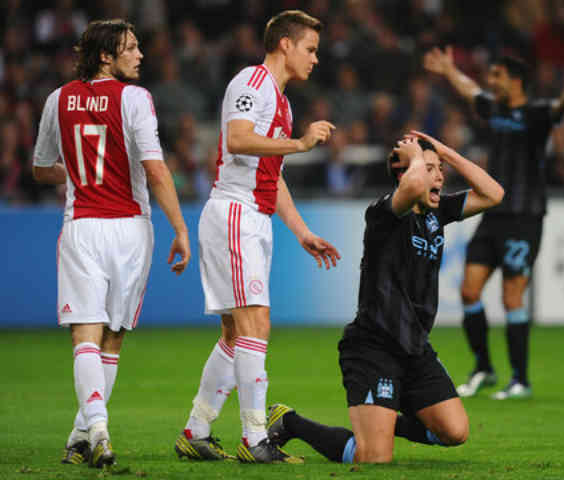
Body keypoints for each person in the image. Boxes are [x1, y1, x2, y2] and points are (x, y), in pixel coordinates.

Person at [264, 131, 504, 464]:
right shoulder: (383, 214)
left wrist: (444, 152)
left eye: (440, 170)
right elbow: (410, 189)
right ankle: (289, 421)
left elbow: (493, 194)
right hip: (373, 348)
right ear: (406, 174)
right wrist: (418, 159)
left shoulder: (438, 213)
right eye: (430, 169)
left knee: (455, 431)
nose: (439, 176)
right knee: (373, 458)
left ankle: (383, 418)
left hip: (416, 348)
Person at [174, 10, 340, 464]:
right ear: (285, 43)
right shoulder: (252, 82)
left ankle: (197, 430)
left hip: (256, 216)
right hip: (234, 213)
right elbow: (239, 139)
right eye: (310, 49)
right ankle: (254, 438)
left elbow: (273, 175)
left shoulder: (282, 103)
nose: (315, 59)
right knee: (255, 324)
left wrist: (302, 231)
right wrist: (301, 144)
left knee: (234, 332)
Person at [32, 19, 191, 468]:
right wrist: (180, 228)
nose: (140, 55)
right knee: (112, 339)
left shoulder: (56, 99)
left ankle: (83, 434)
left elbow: (42, 169)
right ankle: (98, 428)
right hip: (130, 229)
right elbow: (156, 170)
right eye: (132, 47)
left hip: (81, 225)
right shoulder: (135, 99)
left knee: (85, 334)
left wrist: (83, 173)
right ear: (106, 55)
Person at [424, 47, 564, 399]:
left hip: (525, 217)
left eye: (497, 75)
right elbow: (470, 91)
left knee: (512, 297)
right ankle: (483, 367)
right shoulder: (495, 109)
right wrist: (450, 70)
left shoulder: (538, 112)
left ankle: (520, 379)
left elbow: (562, 109)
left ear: (514, 80)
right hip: (492, 215)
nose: (491, 80)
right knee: (469, 290)